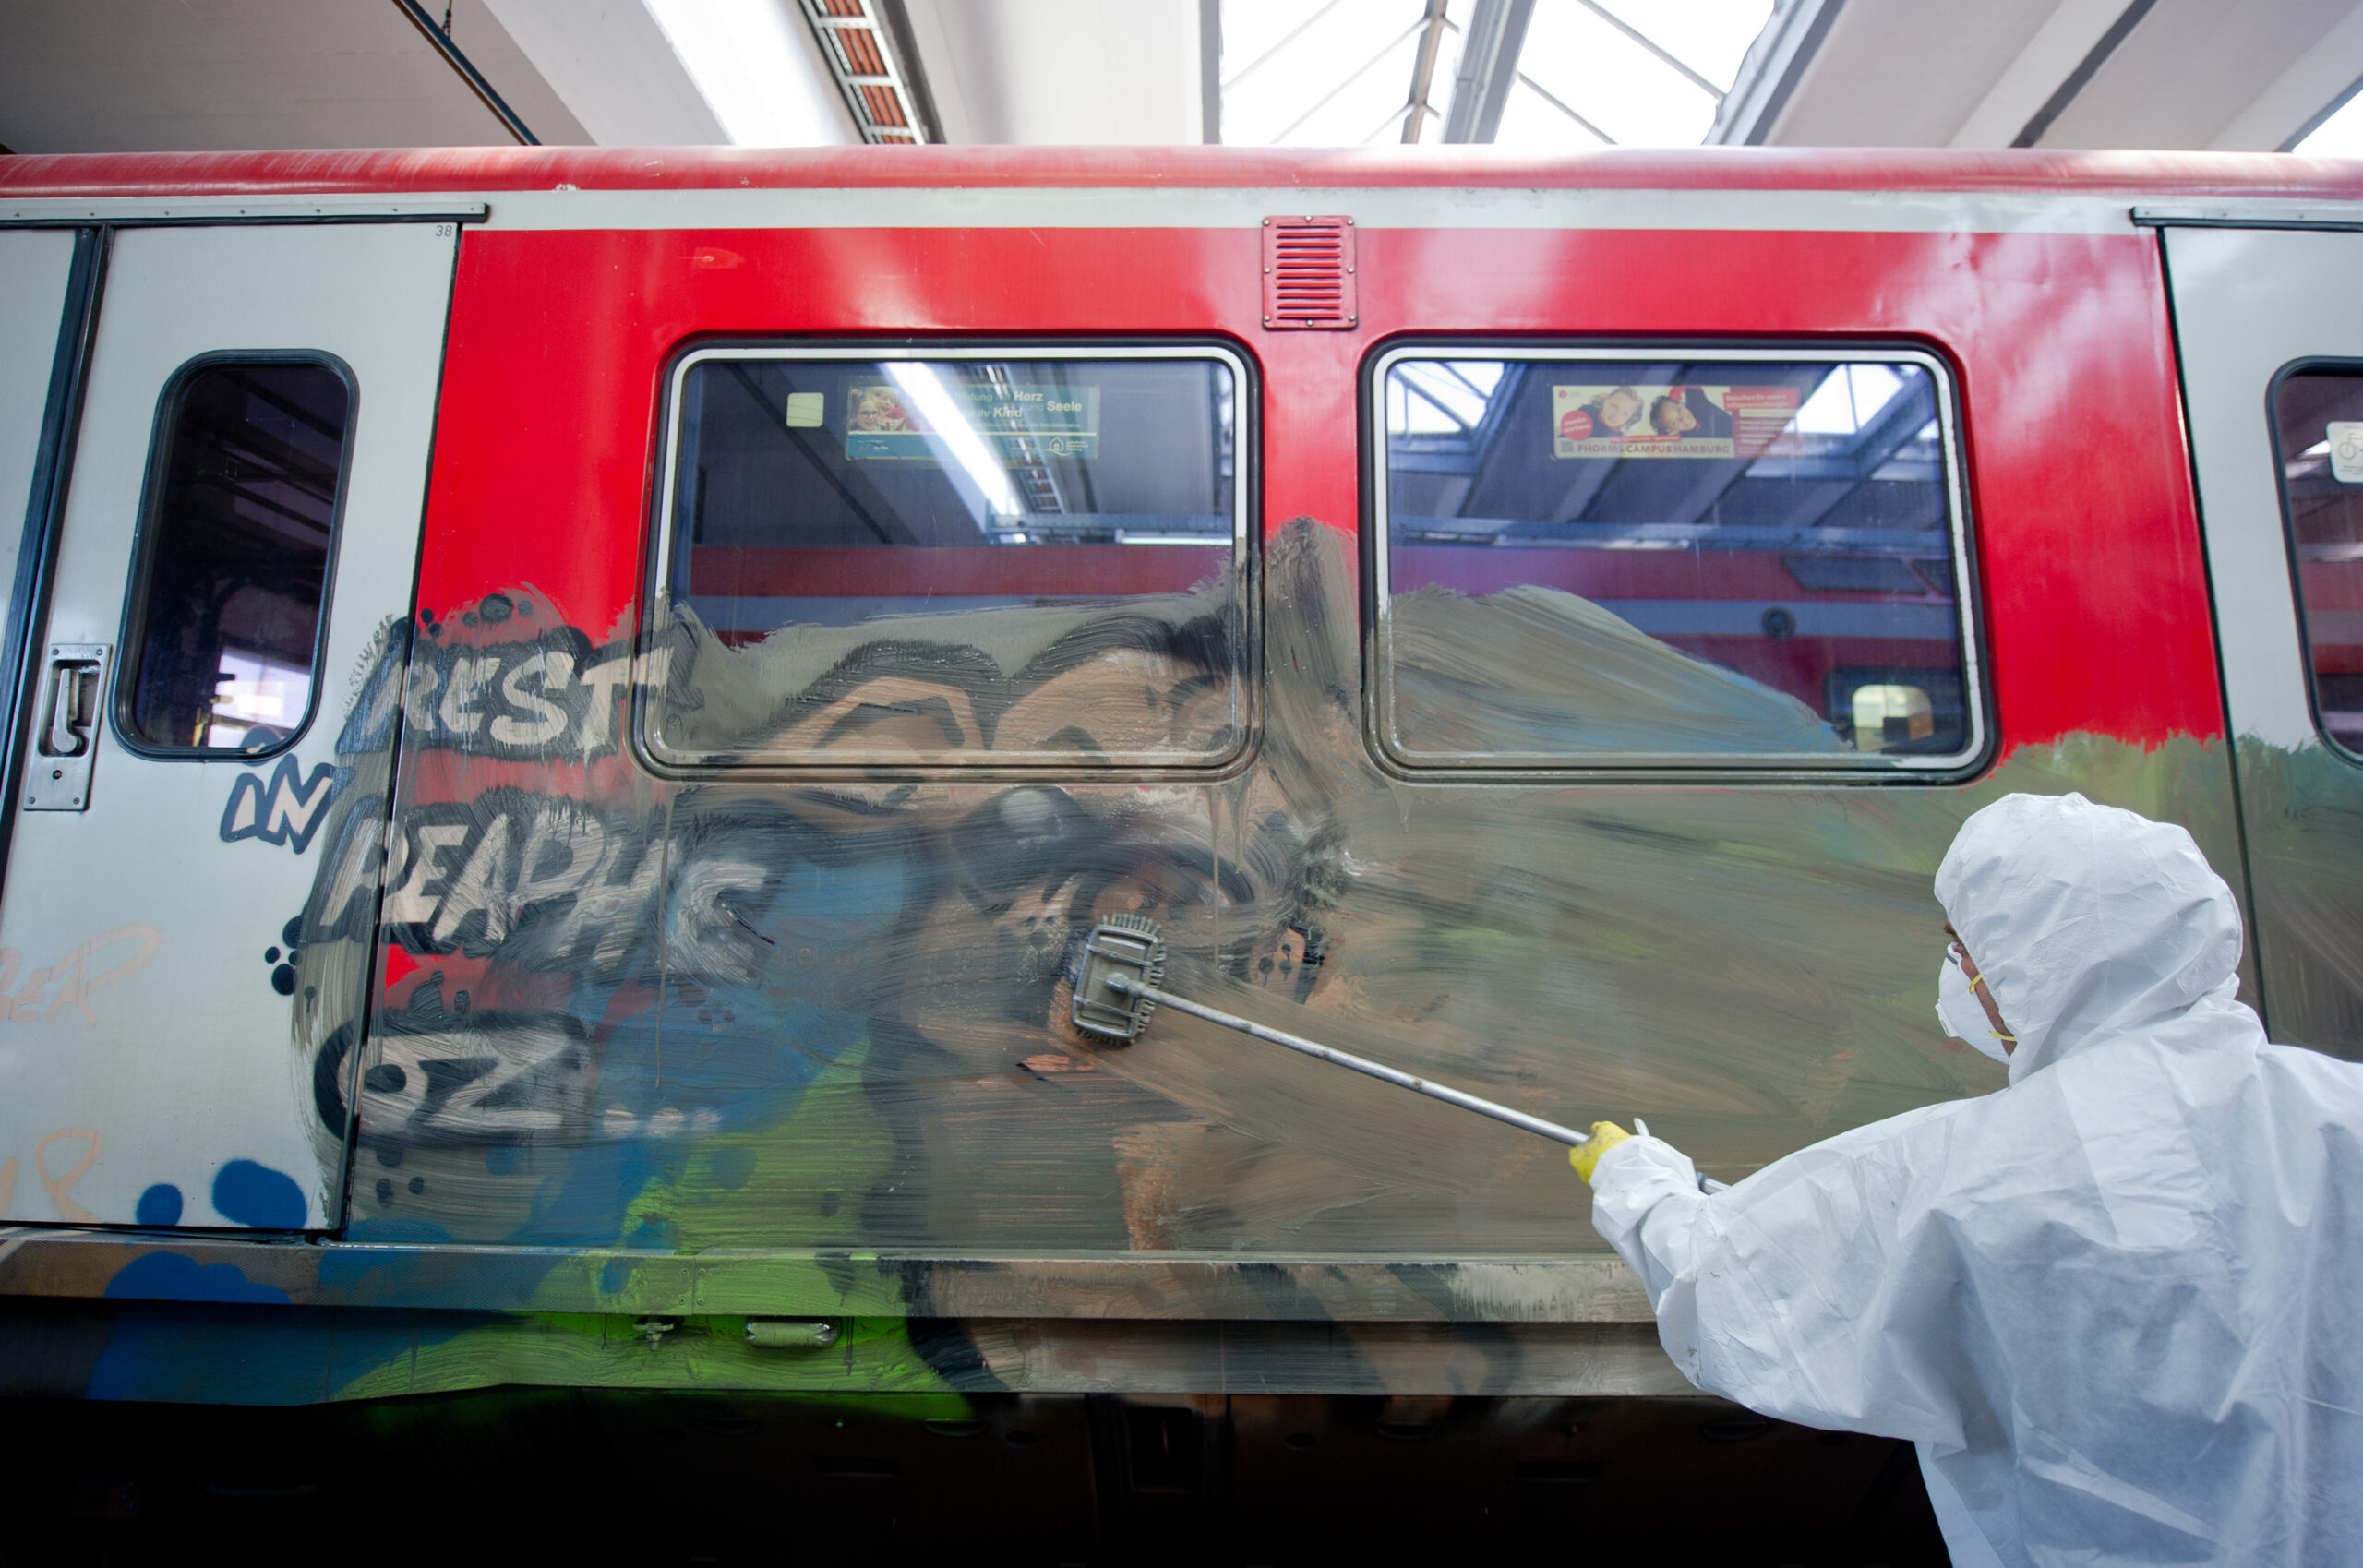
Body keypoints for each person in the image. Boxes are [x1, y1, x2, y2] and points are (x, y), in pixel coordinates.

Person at [1570, 792, 2363, 1566]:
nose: (1963, 975)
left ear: (2036, 959)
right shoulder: (2341, 1111)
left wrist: (1638, 1182)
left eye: (1968, 947)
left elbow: (1736, 1294)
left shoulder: (1968, 1172)